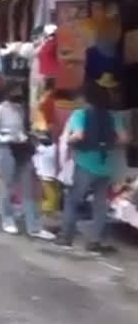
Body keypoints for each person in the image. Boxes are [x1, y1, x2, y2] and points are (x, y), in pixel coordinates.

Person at [56, 79, 129, 253]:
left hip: (84, 164)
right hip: (105, 165)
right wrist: (108, 143)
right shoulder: (114, 115)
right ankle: (94, 241)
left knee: (73, 201)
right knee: (100, 204)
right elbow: (125, 139)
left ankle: (66, 237)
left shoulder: (80, 114)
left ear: (85, 97)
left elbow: (79, 135)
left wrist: (67, 140)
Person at [0, 83, 55, 240]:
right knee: (8, 186)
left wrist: (32, 137)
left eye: (19, 91)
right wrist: (7, 138)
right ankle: (7, 219)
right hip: (5, 150)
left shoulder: (21, 109)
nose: (17, 94)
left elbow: (22, 130)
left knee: (30, 188)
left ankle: (34, 226)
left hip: (22, 149)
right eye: (14, 91)